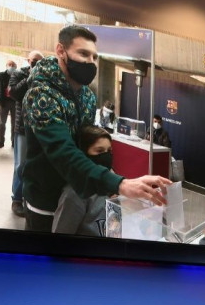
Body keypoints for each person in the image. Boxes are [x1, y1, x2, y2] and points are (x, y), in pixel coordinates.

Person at [22, 24, 171, 232]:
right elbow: (63, 153)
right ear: (60, 51)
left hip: (79, 195)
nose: (90, 62)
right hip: (46, 201)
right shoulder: (41, 95)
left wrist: (108, 177)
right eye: (83, 54)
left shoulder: (87, 97)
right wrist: (121, 184)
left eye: (94, 57)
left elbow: (87, 143)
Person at [52, 126, 113, 236]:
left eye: (109, 151)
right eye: (99, 151)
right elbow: (61, 236)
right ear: (83, 154)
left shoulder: (111, 180)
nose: (106, 156)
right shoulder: (74, 194)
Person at [8, 50, 44, 217]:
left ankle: (29, 198)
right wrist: (29, 76)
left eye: (39, 62)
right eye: (33, 61)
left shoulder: (44, 77)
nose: (35, 64)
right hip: (22, 128)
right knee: (20, 165)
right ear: (28, 60)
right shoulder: (18, 74)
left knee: (33, 164)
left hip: (38, 129)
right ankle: (16, 198)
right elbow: (14, 93)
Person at [0, 60, 18, 148]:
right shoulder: (1, 75)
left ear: (16, 67)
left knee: (14, 123)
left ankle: (14, 142)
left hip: (15, 102)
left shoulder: (18, 76)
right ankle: (1, 141)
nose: (11, 66)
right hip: (4, 102)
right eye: (9, 65)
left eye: (13, 65)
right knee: (2, 123)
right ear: (6, 66)